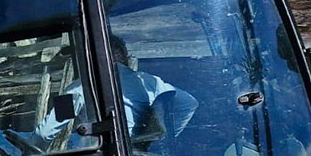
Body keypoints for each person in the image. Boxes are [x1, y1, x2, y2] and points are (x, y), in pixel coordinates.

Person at [33, 36, 199, 148]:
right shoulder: (149, 82)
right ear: (124, 54)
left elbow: (45, 132)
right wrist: (165, 138)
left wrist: (33, 152)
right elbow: (189, 104)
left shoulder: (78, 88)